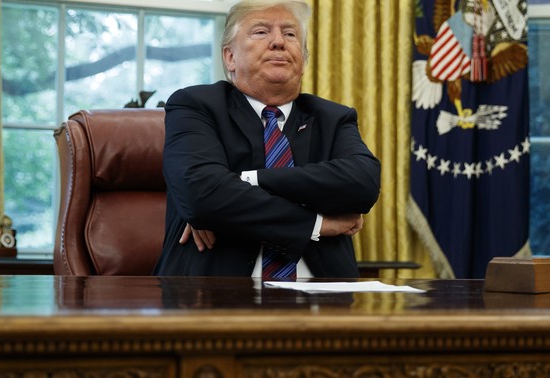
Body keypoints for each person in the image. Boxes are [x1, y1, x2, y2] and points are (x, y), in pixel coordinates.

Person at [153, 0, 381, 279]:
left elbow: (363, 184)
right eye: (261, 32)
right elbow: (201, 196)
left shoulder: (333, 117)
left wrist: (246, 181)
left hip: (325, 302)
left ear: (304, 59)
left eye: (290, 34)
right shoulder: (196, 106)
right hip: (213, 298)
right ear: (230, 57)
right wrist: (317, 224)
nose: (278, 42)